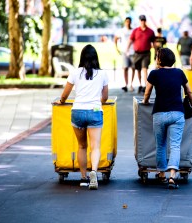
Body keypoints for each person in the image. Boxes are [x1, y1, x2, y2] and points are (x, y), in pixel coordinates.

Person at [54, 44, 108, 190]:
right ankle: (94, 173)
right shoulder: (102, 74)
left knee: (82, 146)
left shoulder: (75, 72)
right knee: (95, 146)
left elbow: (65, 94)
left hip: (77, 111)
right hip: (95, 111)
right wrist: (98, 103)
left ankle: (83, 178)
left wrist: (62, 101)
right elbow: (105, 97)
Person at [143, 48, 192, 189]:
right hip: (177, 113)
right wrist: (191, 101)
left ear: (159, 59)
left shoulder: (154, 74)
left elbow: (147, 92)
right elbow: (188, 90)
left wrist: (146, 101)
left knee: (161, 145)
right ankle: (172, 176)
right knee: (175, 145)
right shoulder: (179, 73)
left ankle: (161, 174)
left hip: (159, 113)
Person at [127, 14, 155, 94]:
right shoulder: (135, 31)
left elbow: (154, 42)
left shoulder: (150, 31)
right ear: (139, 21)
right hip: (137, 53)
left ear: (145, 21)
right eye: (141, 20)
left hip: (146, 53)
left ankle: (145, 85)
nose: (142, 22)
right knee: (138, 69)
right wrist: (127, 49)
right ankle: (140, 85)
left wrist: (156, 51)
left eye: (144, 20)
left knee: (145, 68)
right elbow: (130, 40)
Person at [114, 17, 136, 92]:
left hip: (133, 51)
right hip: (124, 51)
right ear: (124, 22)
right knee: (125, 68)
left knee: (133, 68)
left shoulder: (133, 30)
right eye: (126, 21)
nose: (128, 23)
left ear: (131, 22)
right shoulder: (121, 31)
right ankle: (126, 84)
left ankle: (131, 84)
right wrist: (116, 48)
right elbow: (116, 38)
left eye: (129, 21)